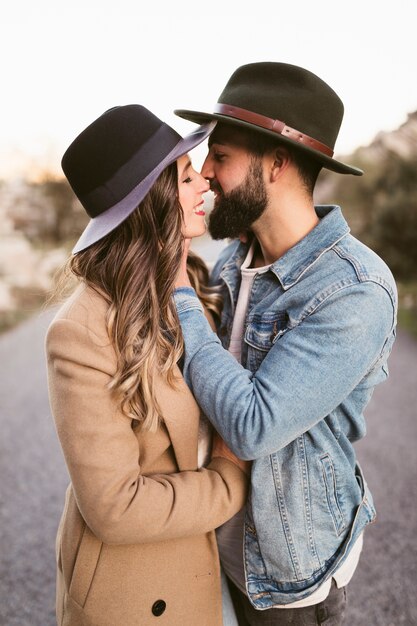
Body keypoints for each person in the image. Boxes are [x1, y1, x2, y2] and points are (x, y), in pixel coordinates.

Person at [172, 62, 398, 625]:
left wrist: (178, 294)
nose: (204, 174)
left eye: (220, 157)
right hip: (213, 550)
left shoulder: (355, 290)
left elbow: (254, 425)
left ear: (276, 162)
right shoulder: (234, 259)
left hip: (286, 575)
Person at [46, 104, 249, 626]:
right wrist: (230, 480)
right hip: (138, 588)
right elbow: (115, 508)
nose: (204, 182)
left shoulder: (199, 284)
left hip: (209, 561)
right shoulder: (82, 331)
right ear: (154, 200)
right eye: (186, 176)